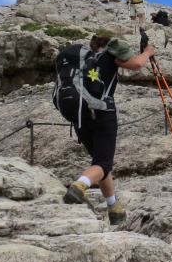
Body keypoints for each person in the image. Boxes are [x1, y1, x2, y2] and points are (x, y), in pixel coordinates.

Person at [63, 33, 155, 225]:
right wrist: (148, 52)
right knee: (103, 164)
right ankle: (80, 186)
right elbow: (137, 64)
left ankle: (113, 207)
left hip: (80, 116)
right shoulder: (110, 56)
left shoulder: (85, 60)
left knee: (101, 163)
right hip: (103, 113)